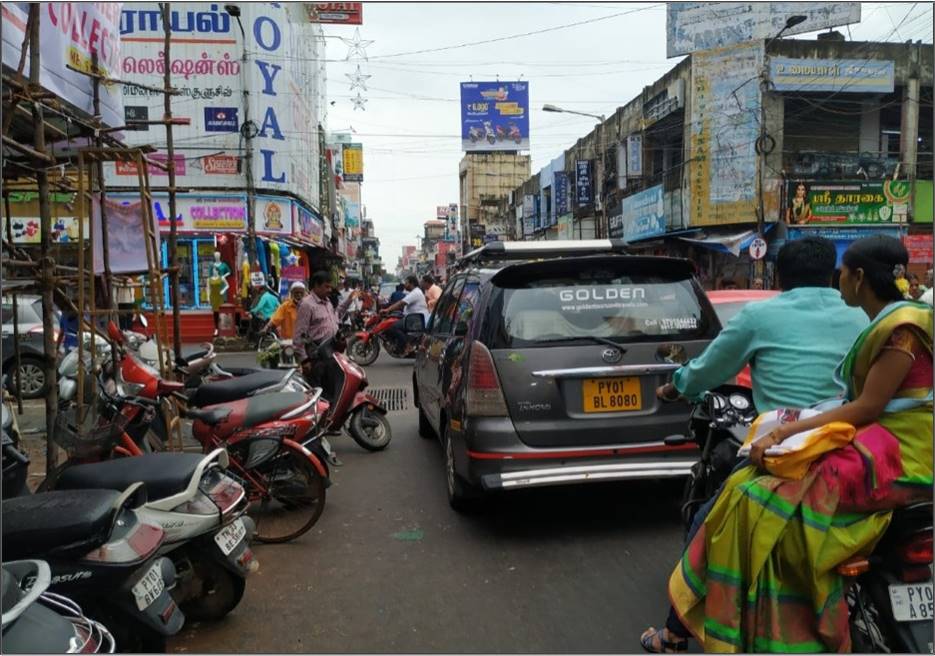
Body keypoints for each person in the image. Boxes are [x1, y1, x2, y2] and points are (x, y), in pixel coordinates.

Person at [644, 235, 933, 653]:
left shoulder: (769, 316)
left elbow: (709, 368)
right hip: (861, 438)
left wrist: (678, 387)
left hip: (864, 445)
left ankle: (677, 632)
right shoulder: (869, 318)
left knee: (724, 513)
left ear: (853, 277)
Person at [657, 237, 868, 414]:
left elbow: (708, 369)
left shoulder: (757, 315)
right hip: (851, 437)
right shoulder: (862, 315)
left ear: (779, 276)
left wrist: (674, 388)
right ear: (832, 275)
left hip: (784, 445)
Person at [294, 271, 358, 370]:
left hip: (331, 355)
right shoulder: (306, 305)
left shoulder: (327, 302)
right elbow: (299, 336)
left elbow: (337, 315)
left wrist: (349, 300)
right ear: (316, 286)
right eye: (326, 287)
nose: (329, 290)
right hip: (316, 358)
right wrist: (304, 360)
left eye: (330, 287)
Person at [381, 275, 430, 354]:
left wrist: (387, 310)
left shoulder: (415, 293)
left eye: (406, 283)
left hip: (415, 320)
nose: (405, 284)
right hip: (413, 318)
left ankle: (407, 344)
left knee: (394, 327)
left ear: (411, 283)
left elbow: (401, 303)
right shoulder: (414, 292)